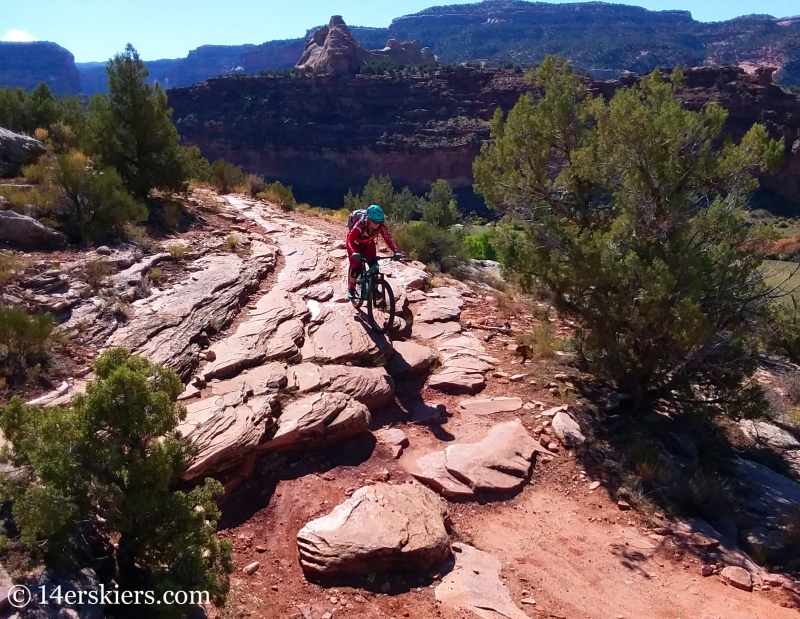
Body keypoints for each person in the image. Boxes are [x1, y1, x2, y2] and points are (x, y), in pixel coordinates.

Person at [346, 204, 403, 299]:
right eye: (374, 221)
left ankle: (374, 289)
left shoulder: (381, 226)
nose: (377, 224)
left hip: (368, 243)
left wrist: (396, 251)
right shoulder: (360, 225)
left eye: (379, 222)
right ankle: (351, 288)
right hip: (355, 244)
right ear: (368, 219)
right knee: (356, 268)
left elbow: (388, 239)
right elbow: (349, 240)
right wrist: (353, 252)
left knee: (374, 266)